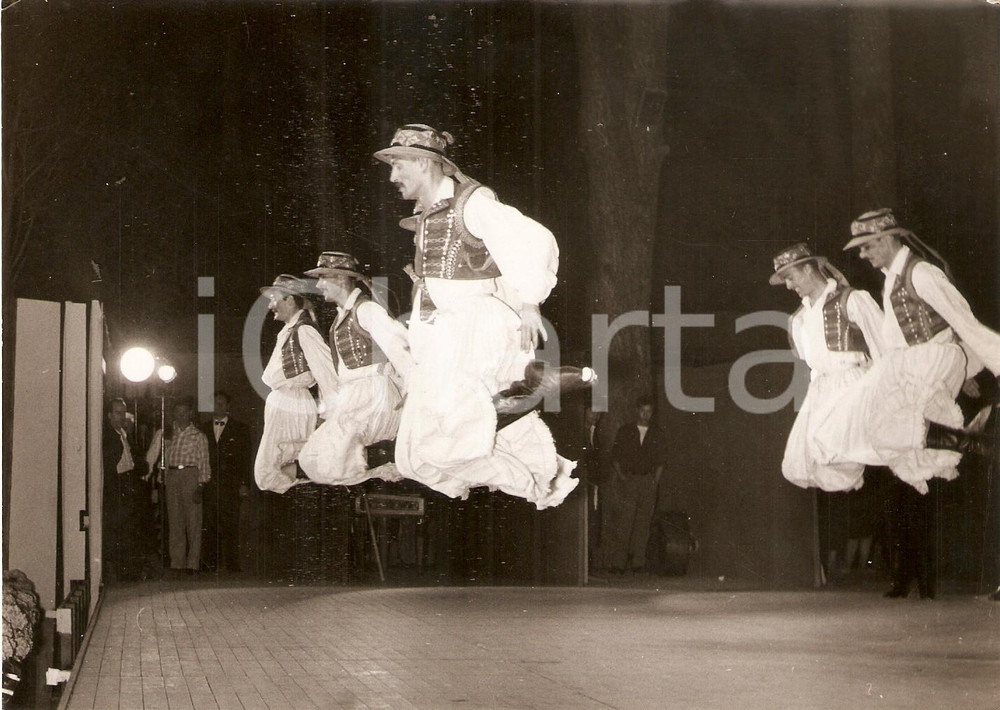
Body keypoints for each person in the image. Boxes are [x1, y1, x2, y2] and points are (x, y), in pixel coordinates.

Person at [373, 123, 582, 509]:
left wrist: (530, 301)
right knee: (412, 458)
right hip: (443, 339)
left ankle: (528, 421)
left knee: (444, 444)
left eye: (398, 165)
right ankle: (538, 464)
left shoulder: (473, 203)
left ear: (423, 162)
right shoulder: (430, 216)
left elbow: (530, 239)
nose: (393, 176)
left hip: (472, 331)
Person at [815, 208, 1000, 495]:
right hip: (912, 364)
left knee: (884, 427)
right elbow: (894, 339)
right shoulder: (892, 278)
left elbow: (965, 323)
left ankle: (975, 441)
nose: (862, 255)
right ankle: (973, 440)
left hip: (931, 360)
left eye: (866, 247)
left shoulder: (921, 273)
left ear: (886, 239)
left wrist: (991, 366)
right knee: (876, 434)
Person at [768, 243, 885, 492]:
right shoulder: (798, 319)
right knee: (796, 466)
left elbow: (884, 344)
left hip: (854, 379)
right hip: (821, 388)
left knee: (830, 443)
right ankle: (855, 470)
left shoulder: (851, 299)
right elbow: (811, 361)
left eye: (790, 277)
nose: (789, 286)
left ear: (809, 269)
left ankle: (933, 439)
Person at [296, 251, 414, 485]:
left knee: (331, 457)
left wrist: (412, 388)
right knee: (311, 458)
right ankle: (380, 469)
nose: (318, 285)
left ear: (340, 279)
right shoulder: (342, 317)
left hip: (374, 393)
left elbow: (401, 346)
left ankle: (391, 462)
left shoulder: (366, 309)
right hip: (354, 394)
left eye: (323, 278)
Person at [254, 274, 339, 494]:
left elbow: (327, 372)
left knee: (267, 472)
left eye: (274, 299)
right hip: (283, 402)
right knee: (271, 471)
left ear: (290, 300)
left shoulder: (303, 330)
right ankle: (311, 481)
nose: (271, 305)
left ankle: (319, 477)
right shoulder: (290, 330)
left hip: (292, 403)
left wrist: (330, 413)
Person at [597, 395, 666, 574]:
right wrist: (622, 477)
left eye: (649, 411)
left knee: (643, 522)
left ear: (652, 412)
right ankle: (619, 563)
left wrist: (654, 482)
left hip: (648, 481)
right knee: (625, 522)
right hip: (630, 480)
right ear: (637, 410)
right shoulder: (626, 431)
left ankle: (638, 563)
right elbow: (616, 456)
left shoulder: (657, 433)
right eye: (642, 410)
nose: (645, 414)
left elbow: (660, 461)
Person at [146, 398, 211, 575]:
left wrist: (201, 484)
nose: (181, 415)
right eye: (178, 412)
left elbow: (204, 462)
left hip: (190, 475)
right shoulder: (167, 434)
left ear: (190, 413)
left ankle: (193, 563)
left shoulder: (198, 436)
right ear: (173, 413)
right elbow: (164, 459)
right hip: (172, 476)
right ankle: (177, 562)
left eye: (184, 412)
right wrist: (161, 479)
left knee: (193, 521)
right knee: (175, 521)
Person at [201, 390, 250, 572]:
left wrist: (245, 483)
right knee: (209, 523)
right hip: (210, 482)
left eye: (221, 403)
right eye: (215, 403)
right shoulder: (203, 428)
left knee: (231, 523)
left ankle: (232, 564)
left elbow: (246, 458)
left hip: (231, 484)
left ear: (228, 406)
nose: (218, 407)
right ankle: (210, 563)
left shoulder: (241, 429)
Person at [102, 397, 145, 581]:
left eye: (124, 413)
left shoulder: (123, 434)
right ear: (110, 415)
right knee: (119, 530)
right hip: (117, 487)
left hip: (128, 484)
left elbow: (134, 460)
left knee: (129, 530)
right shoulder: (109, 437)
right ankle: (122, 572)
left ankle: (128, 571)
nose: (122, 417)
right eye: (118, 413)